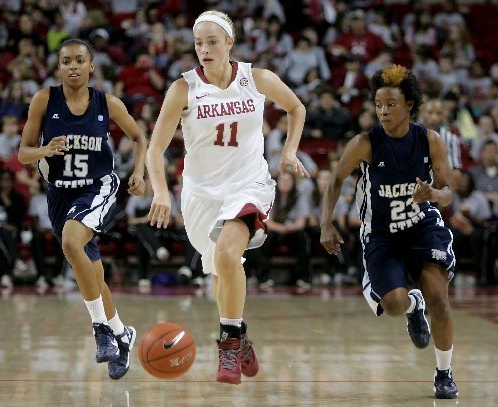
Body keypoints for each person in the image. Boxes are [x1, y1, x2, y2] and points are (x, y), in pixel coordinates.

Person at [146, 10, 308, 385]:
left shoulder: (257, 78)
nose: (204, 49)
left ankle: (229, 344)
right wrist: (160, 192)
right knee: (222, 268)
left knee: (227, 253)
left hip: (248, 184)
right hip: (200, 195)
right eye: (198, 43)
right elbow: (155, 149)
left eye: (212, 42)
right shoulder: (183, 89)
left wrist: (287, 151)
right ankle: (240, 330)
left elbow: (296, 107)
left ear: (230, 43)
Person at [320, 65, 458, 399]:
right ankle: (413, 305)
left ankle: (444, 373)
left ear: (409, 104)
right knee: (393, 304)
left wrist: (435, 196)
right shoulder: (364, 143)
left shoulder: (430, 140)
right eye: (379, 104)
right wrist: (326, 222)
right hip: (381, 235)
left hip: (422, 227)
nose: (383, 111)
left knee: (440, 298)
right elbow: (337, 179)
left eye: (391, 104)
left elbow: (449, 190)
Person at [18, 38, 147, 380]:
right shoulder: (44, 100)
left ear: (91, 66)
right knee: (93, 274)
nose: (72, 66)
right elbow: (23, 153)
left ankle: (101, 330)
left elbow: (139, 136)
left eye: (79, 60)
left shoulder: (108, 103)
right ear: (58, 67)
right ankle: (122, 333)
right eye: (66, 61)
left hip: (97, 187)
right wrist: (45, 150)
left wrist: (138, 171)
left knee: (72, 244)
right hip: (59, 194)